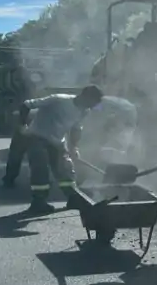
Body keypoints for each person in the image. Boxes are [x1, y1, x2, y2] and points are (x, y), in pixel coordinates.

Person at [17, 86, 104, 216]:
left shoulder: (84, 110)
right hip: (37, 137)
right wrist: (22, 125)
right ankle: (38, 202)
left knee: (65, 169)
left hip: (57, 142)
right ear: (85, 96)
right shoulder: (58, 100)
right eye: (93, 102)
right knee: (40, 169)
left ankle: (73, 199)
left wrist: (74, 146)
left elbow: (76, 128)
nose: (93, 106)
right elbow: (26, 105)